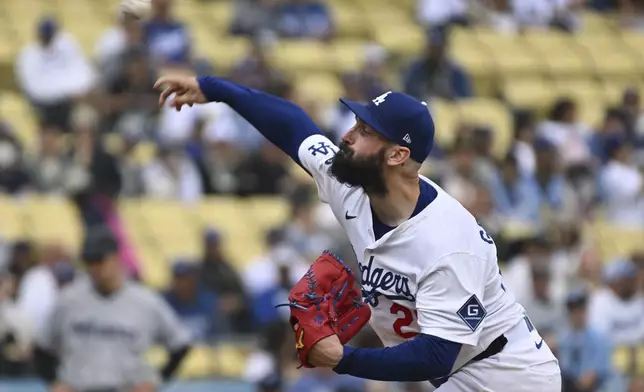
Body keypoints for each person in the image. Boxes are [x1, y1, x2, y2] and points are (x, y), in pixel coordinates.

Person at [153, 75, 561, 390]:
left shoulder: (448, 243)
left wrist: (342, 358)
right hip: (453, 374)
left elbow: (437, 353)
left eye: (365, 131)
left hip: (509, 374)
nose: (347, 136)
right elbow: (295, 127)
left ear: (399, 155)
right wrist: (215, 88)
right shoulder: (350, 185)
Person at [34, 228, 191, 392]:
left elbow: (180, 345)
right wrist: (53, 382)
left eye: (100, 260)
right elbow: (41, 347)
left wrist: (156, 380)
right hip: (80, 386)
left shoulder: (145, 302)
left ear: (116, 258)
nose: (94, 268)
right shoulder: (69, 300)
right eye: (89, 262)